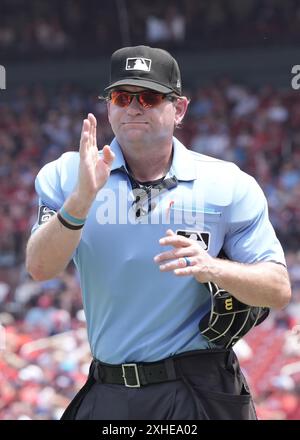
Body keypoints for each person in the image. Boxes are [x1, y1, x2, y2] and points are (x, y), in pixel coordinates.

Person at [26, 45, 291, 420]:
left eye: (149, 97)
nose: (134, 107)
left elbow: (278, 289)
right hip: (110, 389)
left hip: (199, 388)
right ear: (109, 106)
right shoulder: (67, 174)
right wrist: (80, 201)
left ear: (179, 108)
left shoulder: (227, 183)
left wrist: (214, 268)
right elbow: (39, 268)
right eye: (122, 96)